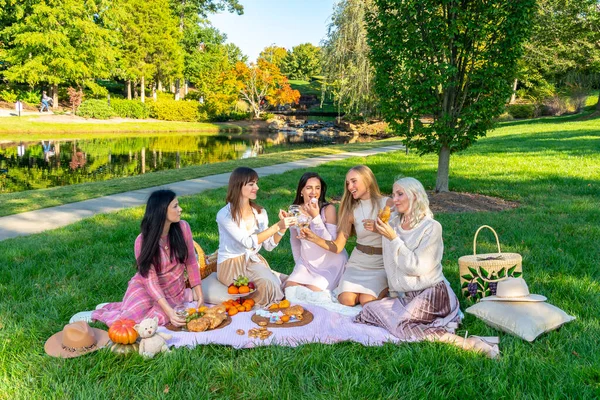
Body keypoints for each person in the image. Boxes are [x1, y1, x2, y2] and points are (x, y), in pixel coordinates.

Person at [354, 177, 499, 358]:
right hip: (406, 296)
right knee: (368, 310)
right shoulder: (392, 224)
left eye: (400, 194)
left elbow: (416, 267)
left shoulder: (431, 228)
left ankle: (469, 343)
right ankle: (414, 319)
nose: (394, 199)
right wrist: (382, 232)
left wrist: (393, 239)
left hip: (432, 293)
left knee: (401, 327)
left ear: (415, 196)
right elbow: (391, 264)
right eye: (393, 194)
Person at [92, 190, 204, 328]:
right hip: (146, 287)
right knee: (128, 321)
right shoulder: (142, 241)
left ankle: (125, 306)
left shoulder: (183, 227)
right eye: (175, 206)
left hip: (173, 289)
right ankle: (105, 311)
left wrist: (200, 295)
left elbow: (191, 261)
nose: (180, 209)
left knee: (157, 320)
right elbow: (149, 279)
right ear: (162, 211)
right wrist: (169, 311)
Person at [301, 165, 393, 306]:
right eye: (348, 183)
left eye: (354, 181)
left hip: (380, 264)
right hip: (357, 263)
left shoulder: (387, 203)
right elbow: (337, 247)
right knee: (346, 301)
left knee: (366, 301)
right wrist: (314, 238)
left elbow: (401, 234)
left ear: (367, 180)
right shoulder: (351, 209)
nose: (350, 187)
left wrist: (379, 229)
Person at [216, 167, 296, 307]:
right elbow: (247, 242)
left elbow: (269, 245)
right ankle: (262, 312)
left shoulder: (260, 213)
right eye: (251, 184)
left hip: (252, 261)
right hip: (230, 265)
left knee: (271, 284)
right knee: (260, 287)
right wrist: (276, 226)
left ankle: (274, 294)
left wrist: (283, 227)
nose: (257, 187)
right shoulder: (224, 215)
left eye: (256, 183)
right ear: (239, 185)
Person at [285, 172, 348, 292]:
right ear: (301, 191)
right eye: (309, 188)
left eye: (317, 188)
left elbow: (332, 243)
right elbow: (295, 241)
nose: (314, 192)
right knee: (289, 291)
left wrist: (316, 217)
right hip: (307, 263)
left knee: (313, 293)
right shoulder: (295, 210)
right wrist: (298, 266)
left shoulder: (328, 209)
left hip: (331, 262)